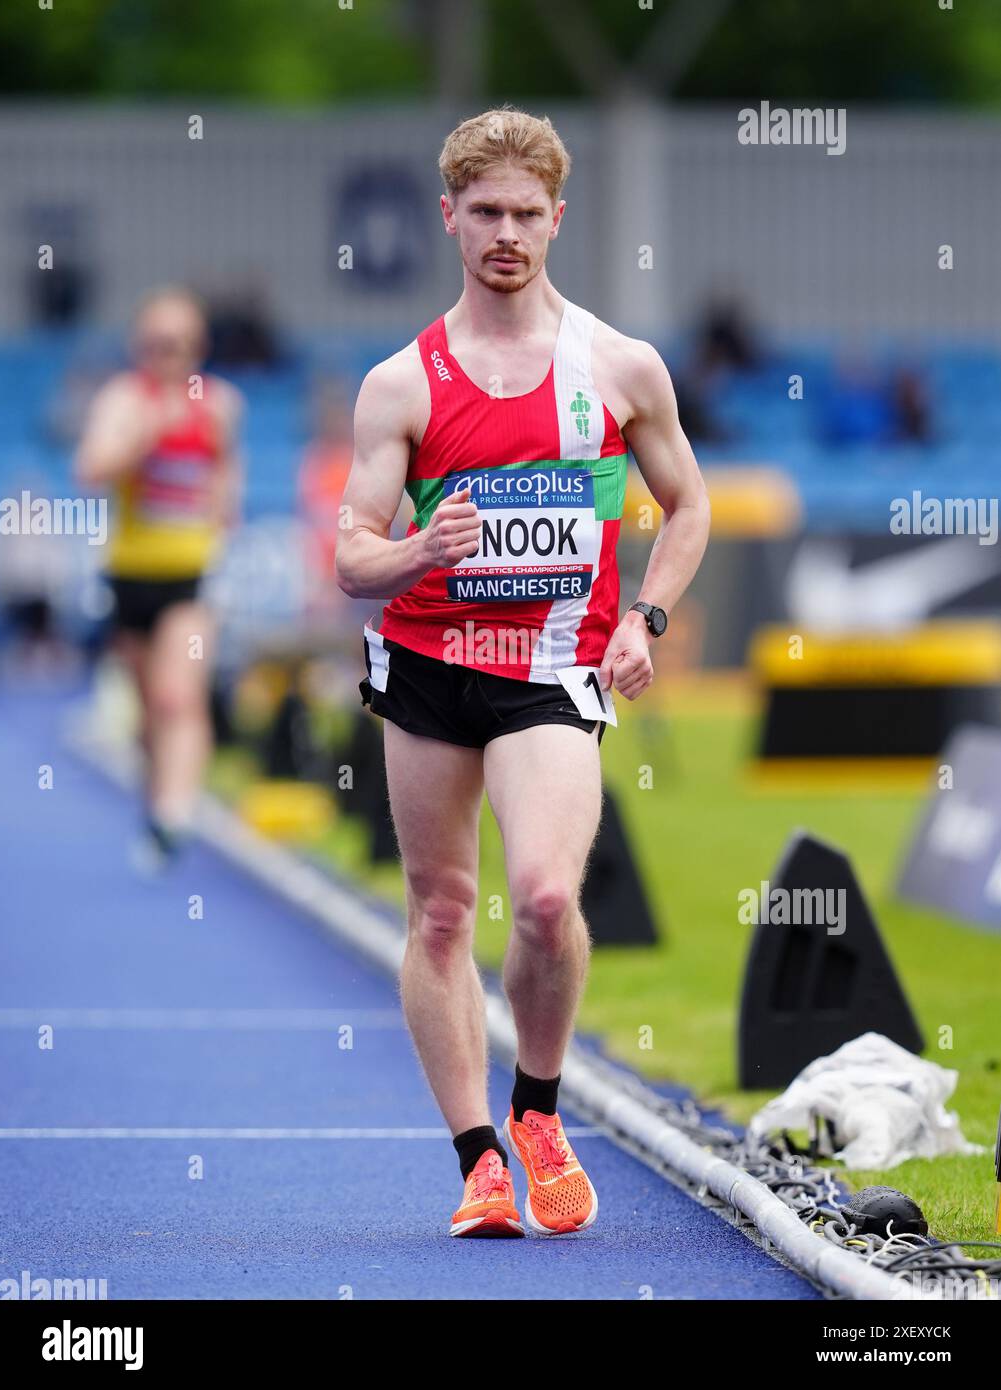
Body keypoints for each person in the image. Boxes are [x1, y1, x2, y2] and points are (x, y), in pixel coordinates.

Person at [335, 108, 710, 1238]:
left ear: (559, 216)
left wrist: (644, 616)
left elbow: (688, 506)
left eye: (526, 213)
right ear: (449, 217)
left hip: (551, 666)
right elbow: (353, 551)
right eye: (484, 212)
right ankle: (477, 1160)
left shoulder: (618, 366)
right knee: (442, 909)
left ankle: (538, 1109)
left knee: (546, 898)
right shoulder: (401, 383)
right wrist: (415, 550)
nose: (506, 232)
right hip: (428, 661)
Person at [75, 286, 244, 865]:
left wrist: (224, 509)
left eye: (181, 345)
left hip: (191, 575)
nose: (170, 356)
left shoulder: (219, 403)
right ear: (139, 347)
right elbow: (89, 469)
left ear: (198, 348)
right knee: (149, 710)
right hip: (129, 576)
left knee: (178, 696)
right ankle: (158, 802)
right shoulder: (124, 400)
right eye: (158, 344)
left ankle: (175, 816)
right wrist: (144, 437)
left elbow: (225, 468)